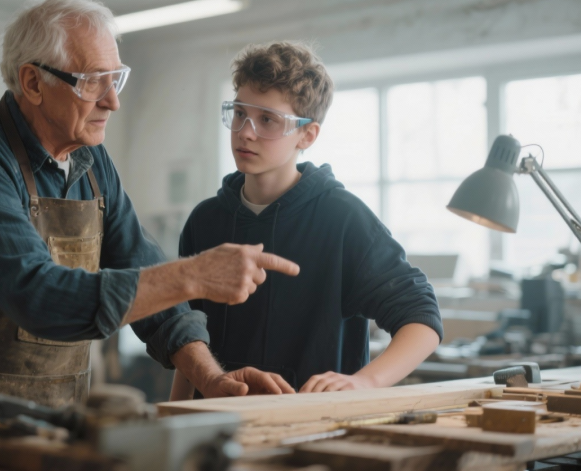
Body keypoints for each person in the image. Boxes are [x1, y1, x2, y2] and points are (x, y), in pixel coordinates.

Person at [0, 0, 299, 434]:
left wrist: (212, 379)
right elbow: (38, 296)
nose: (112, 102)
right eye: (91, 82)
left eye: (115, 79)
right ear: (32, 83)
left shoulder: (91, 162)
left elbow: (146, 273)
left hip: (56, 427)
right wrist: (194, 274)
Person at [171, 42, 443, 399]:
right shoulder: (204, 220)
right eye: (239, 113)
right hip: (216, 428)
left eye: (267, 119)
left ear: (307, 135)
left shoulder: (343, 218)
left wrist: (364, 382)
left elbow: (422, 318)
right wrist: (174, 414)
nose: (246, 131)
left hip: (316, 427)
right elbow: (189, 336)